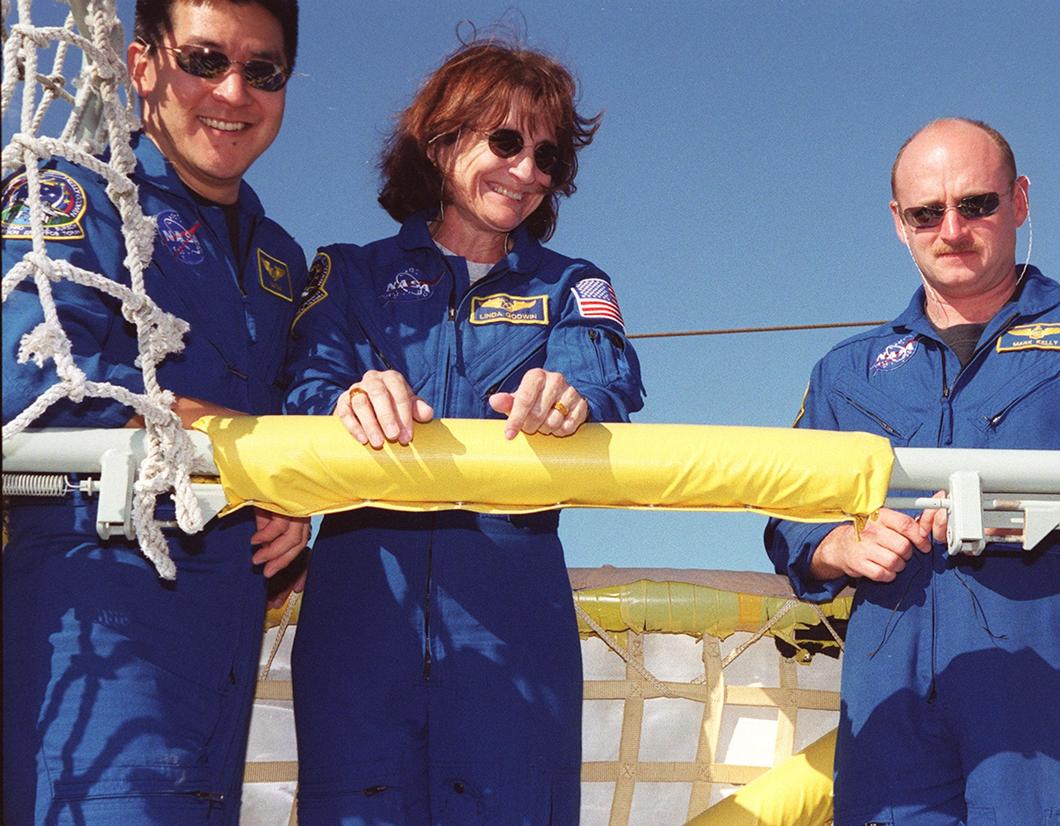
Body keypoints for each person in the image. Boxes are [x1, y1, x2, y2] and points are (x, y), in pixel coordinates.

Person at [765, 118, 1060, 825]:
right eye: (926, 212)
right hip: (892, 710)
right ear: (898, 223)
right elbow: (786, 512)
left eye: (977, 204)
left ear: (1021, 201)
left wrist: (1028, 508)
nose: (952, 229)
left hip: (1059, 714)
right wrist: (834, 547)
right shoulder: (845, 373)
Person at [283, 39, 643, 824]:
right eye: (506, 141)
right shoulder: (346, 273)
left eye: (546, 155)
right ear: (442, 143)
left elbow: (608, 380)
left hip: (516, 639)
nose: (527, 171)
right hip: (358, 626)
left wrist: (567, 396)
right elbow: (303, 389)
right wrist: (348, 397)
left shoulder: (573, 285)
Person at [2, 1, 308, 822]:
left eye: (263, 70)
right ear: (141, 66)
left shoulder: (282, 258)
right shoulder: (73, 190)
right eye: (205, 60)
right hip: (100, 634)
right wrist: (220, 437)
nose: (234, 90)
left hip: (227, 647)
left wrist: (295, 509)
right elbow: (28, 377)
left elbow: (287, 429)